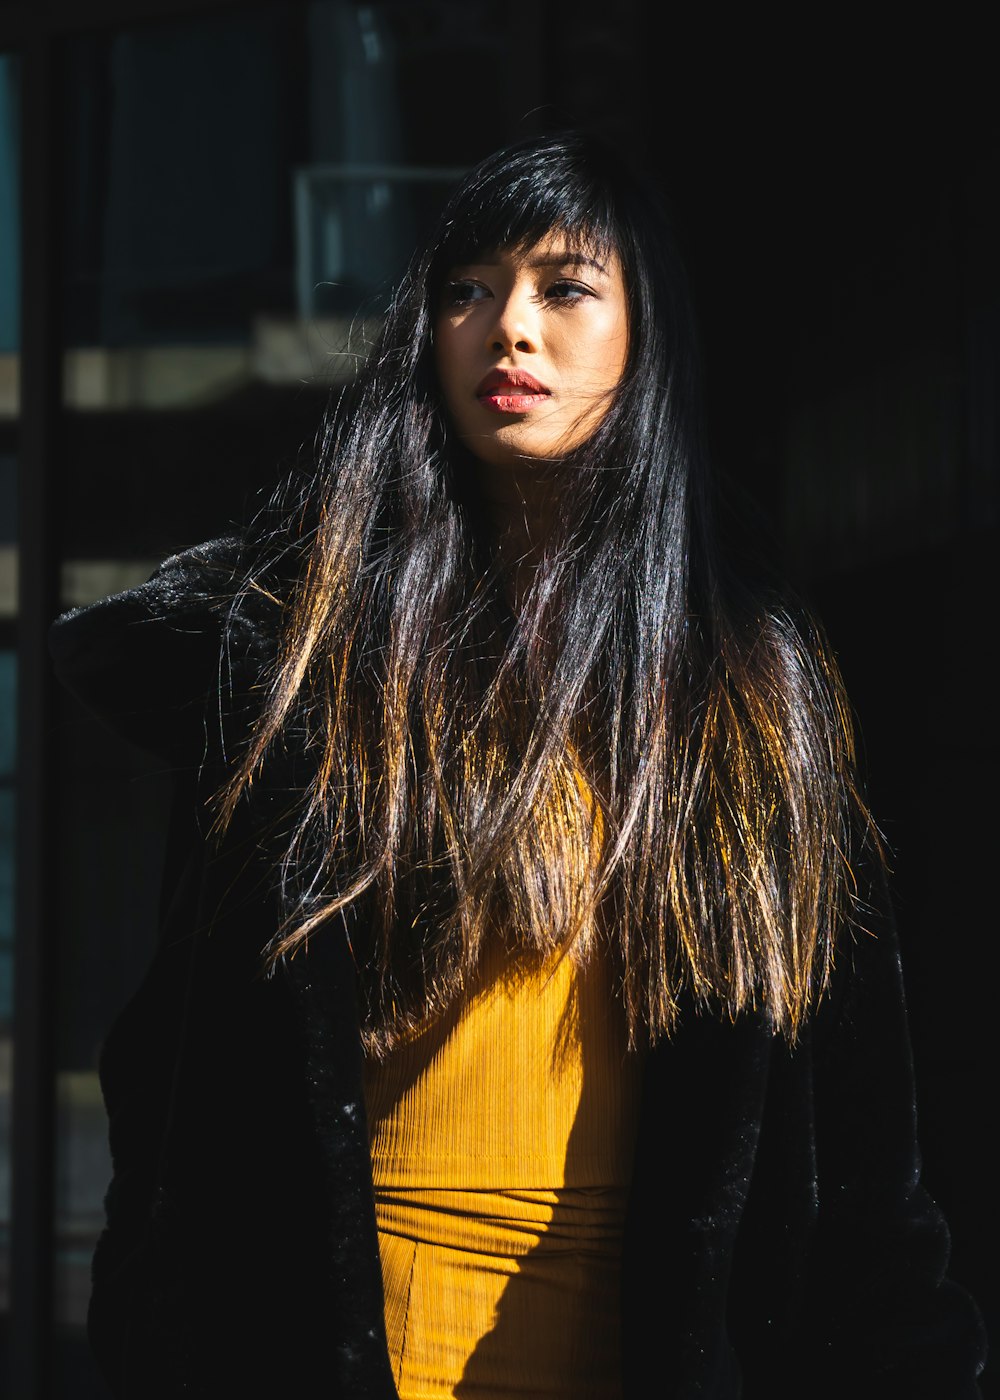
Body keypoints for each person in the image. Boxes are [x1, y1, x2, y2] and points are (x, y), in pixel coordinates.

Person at [49, 130, 987, 1399]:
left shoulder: (752, 692)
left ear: (644, 330)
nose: (510, 328)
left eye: (563, 285)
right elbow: (176, 1086)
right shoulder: (310, 670)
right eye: (467, 289)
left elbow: (866, 1156)